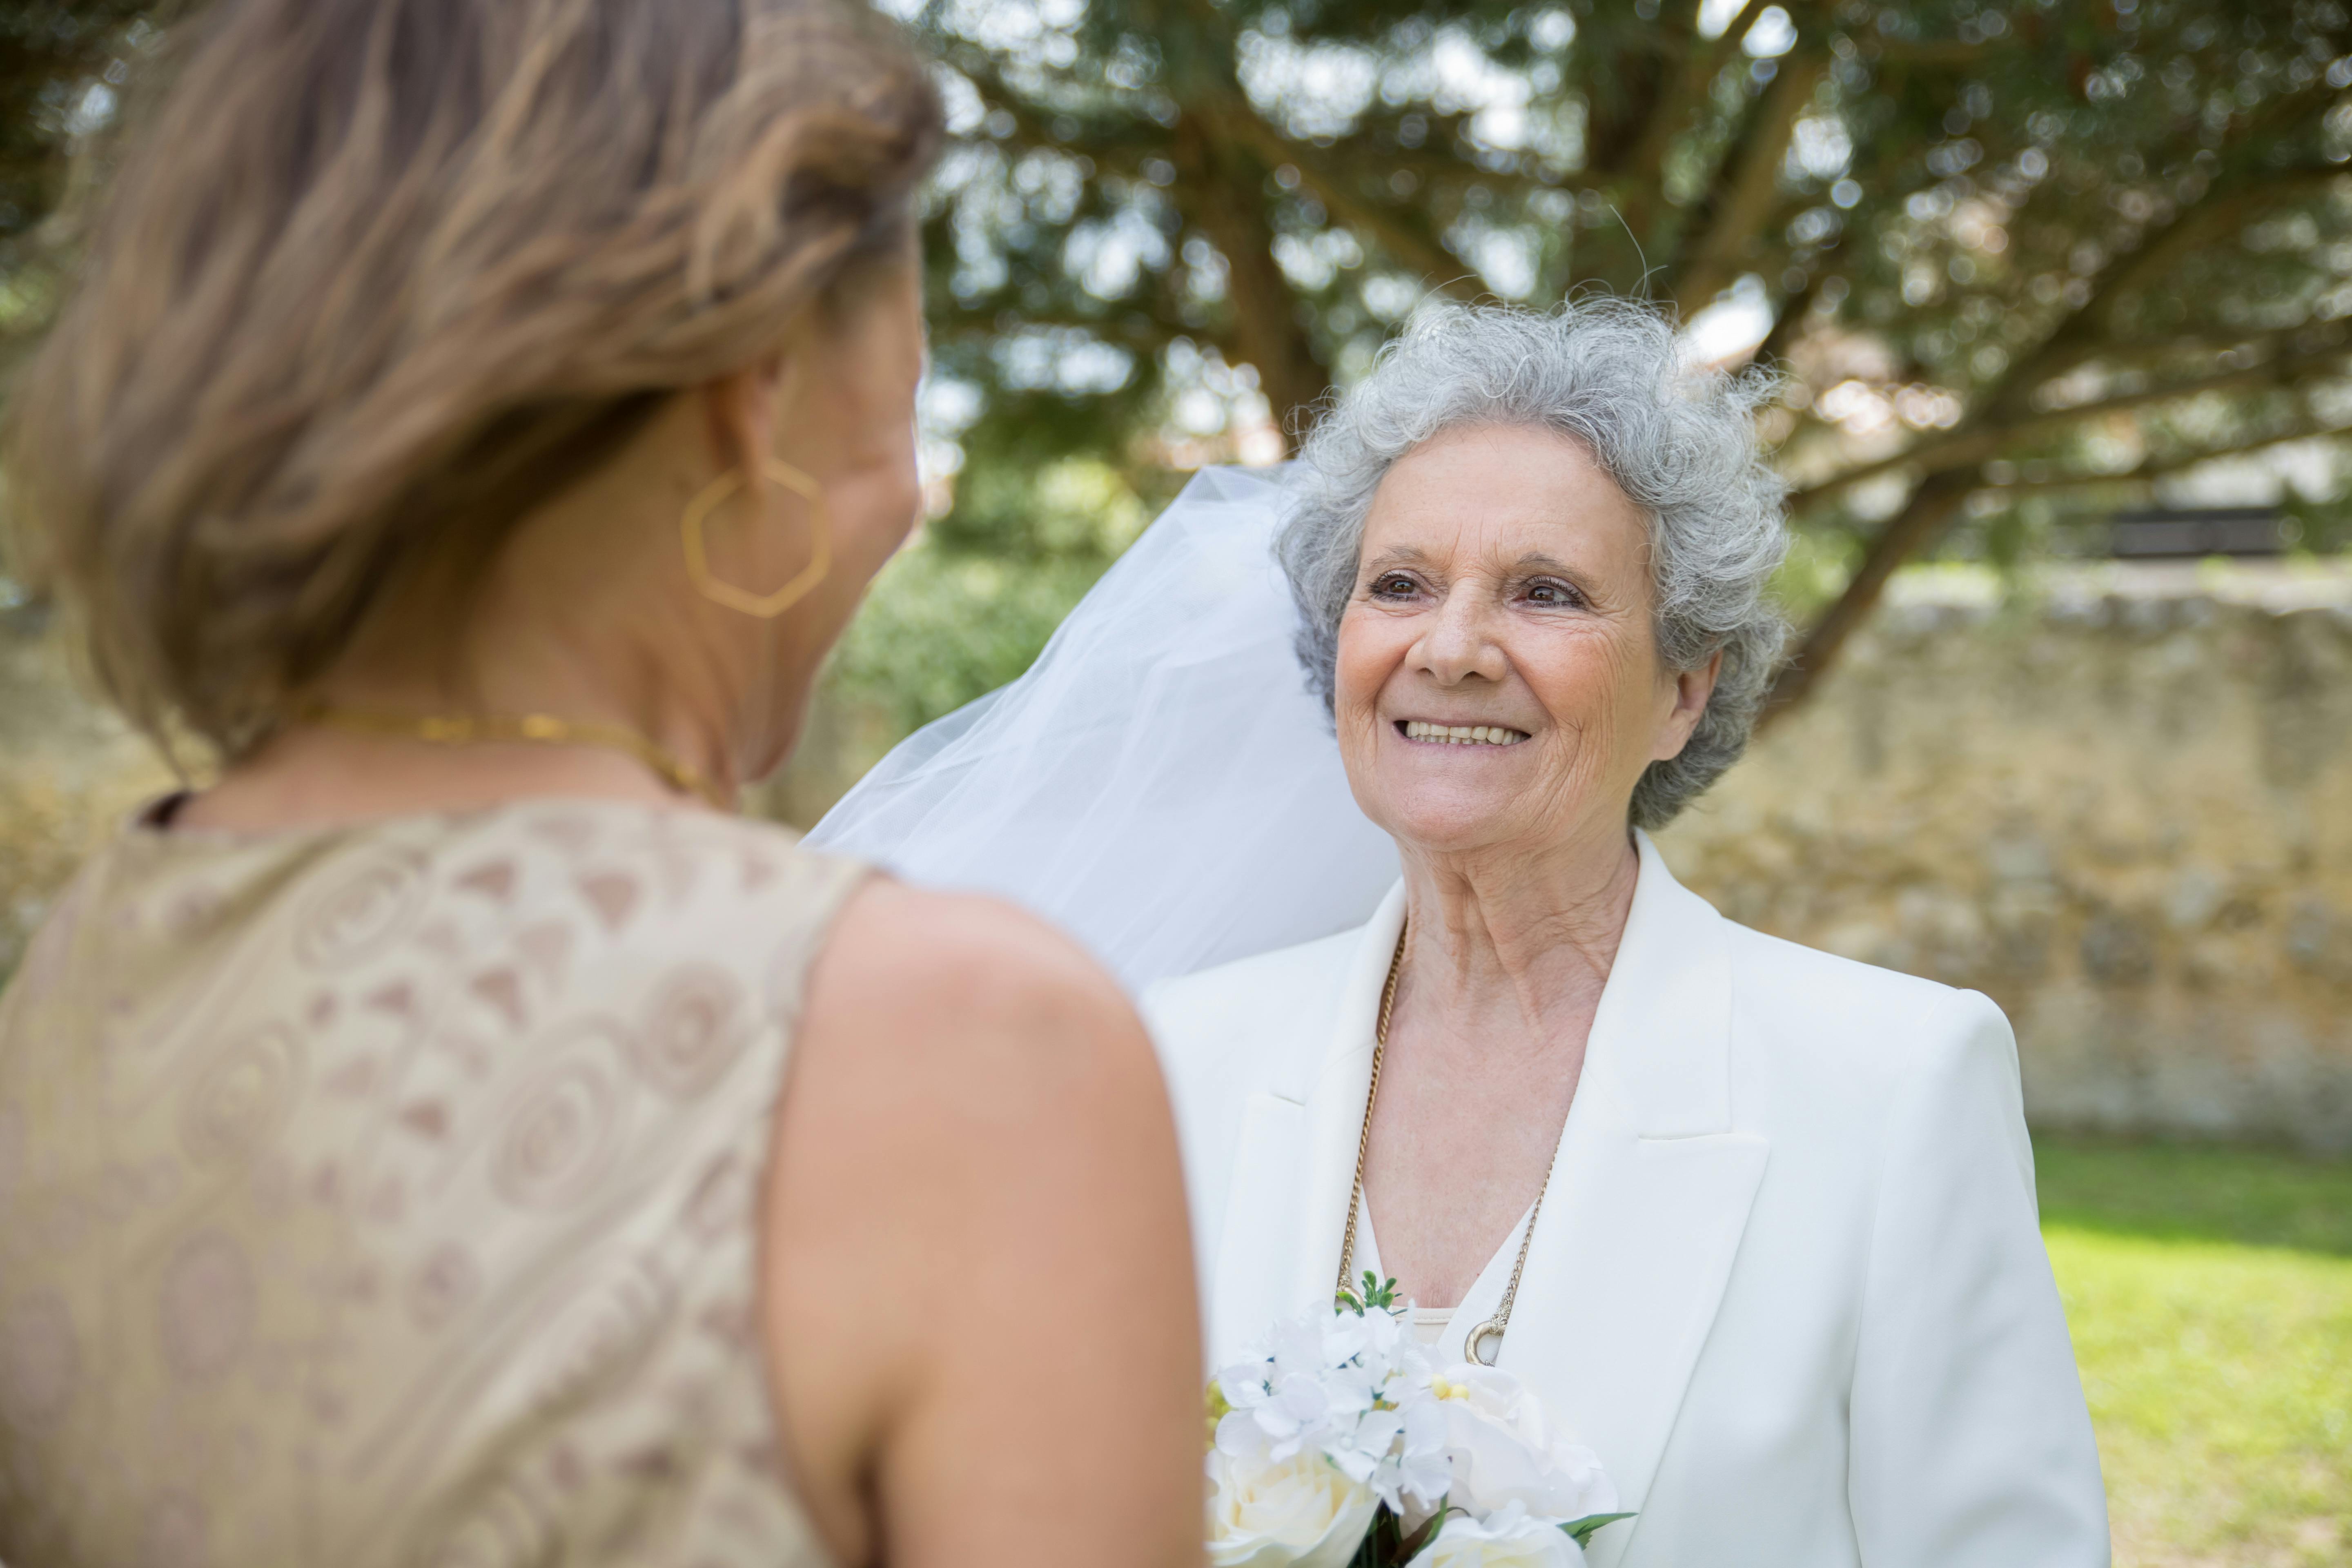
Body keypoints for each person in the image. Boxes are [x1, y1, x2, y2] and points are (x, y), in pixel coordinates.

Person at [0, 3, 1203, 1566]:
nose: (907, 496)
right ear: (752, 401)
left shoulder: (75, 974)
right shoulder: (967, 1053)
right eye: (901, 404)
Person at [816, 301, 2111, 1567]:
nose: (1453, 646)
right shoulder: (1176, 1061)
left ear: (1683, 690)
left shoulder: (1896, 1085)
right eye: (1400, 584)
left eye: (1545, 593)